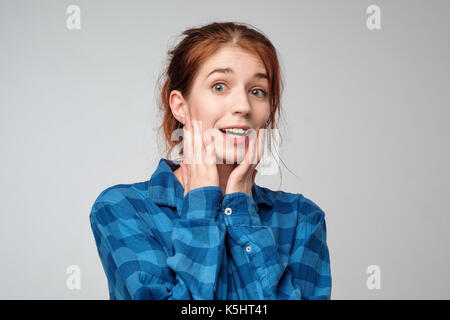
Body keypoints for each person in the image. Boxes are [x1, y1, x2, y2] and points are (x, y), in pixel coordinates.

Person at [89, 21, 332, 300]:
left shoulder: (302, 218)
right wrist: (201, 205)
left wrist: (241, 209)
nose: (243, 106)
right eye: (219, 86)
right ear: (180, 106)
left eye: (257, 91)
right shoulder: (123, 208)